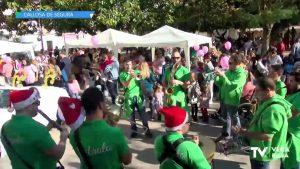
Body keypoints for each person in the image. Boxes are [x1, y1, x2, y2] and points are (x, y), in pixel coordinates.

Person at [1, 88, 68, 169]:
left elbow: (28, 142)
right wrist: (63, 138)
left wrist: (47, 128)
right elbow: (57, 155)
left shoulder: (5, 127)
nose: (38, 106)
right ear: (28, 106)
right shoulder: (37, 128)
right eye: (37, 103)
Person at [233, 77, 291, 169]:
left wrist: (243, 132)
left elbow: (267, 136)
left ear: (267, 90)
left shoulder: (273, 109)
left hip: (262, 153)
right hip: (259, 148)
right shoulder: (270, 101)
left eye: (258, 91)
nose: (255, 94)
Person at [69, 87, 132, 168]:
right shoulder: (115, 132)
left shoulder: (74, 134)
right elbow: (127, 160)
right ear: (100, 105)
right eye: (104, 101)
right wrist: (114, 127)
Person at [214, 53, 247, 142]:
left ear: (238, 64)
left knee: (234, 120)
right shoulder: (229, 71)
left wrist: (223, 76)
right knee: (224, 118)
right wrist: (217, 77)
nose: (229, 65)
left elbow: (232, 86)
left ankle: (238, 137)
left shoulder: (241, 74)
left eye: (231, 63)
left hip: (232, 100)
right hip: (224, 98)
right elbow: (220, 83)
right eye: (229, 62)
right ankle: (225, 134)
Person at [119, 59, 152, 138]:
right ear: (124, 65)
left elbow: (142, 85)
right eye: (127, 64)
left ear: (132, 65)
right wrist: (130, 77)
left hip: (139, 97)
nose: (128, 66)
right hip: (129, 98)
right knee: (131, 115)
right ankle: (134, 131)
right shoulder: (122, 74)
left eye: (130, 64)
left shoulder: (137, 72)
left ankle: (147, 130)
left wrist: (146, 93)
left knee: (143, 115)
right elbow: (126, 85)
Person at [282, 68, 300, 169]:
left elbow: (293, 113)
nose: (289, 83)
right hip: (287, 134)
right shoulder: (294, 94)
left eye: (292, 81)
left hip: (294, 137)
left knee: (293, 164)